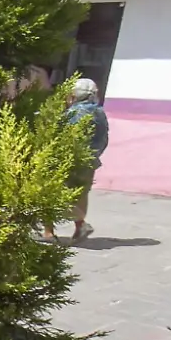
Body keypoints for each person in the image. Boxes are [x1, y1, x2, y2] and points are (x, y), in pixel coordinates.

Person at [47, 77, 110, 244]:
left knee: (50, 191)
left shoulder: (74, 113)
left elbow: (61, 138)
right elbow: (104, 139)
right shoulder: (100, 112)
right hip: (90, 161)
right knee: (80, 193)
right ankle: (80, 227)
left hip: (70, 161)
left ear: (73, 96)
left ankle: (48, 232)